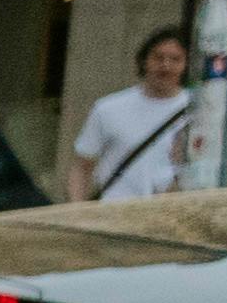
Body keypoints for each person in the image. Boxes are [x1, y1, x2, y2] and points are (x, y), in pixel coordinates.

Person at [70, 26, 210, 203]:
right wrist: (77, 210)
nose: (166, 66)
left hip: (172, 215)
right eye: (158, 57)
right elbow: (82, 167)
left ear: (185, 65)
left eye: (175, 59)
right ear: (145, 61)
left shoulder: (201, 110)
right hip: (114, 212)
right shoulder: (108, 108)